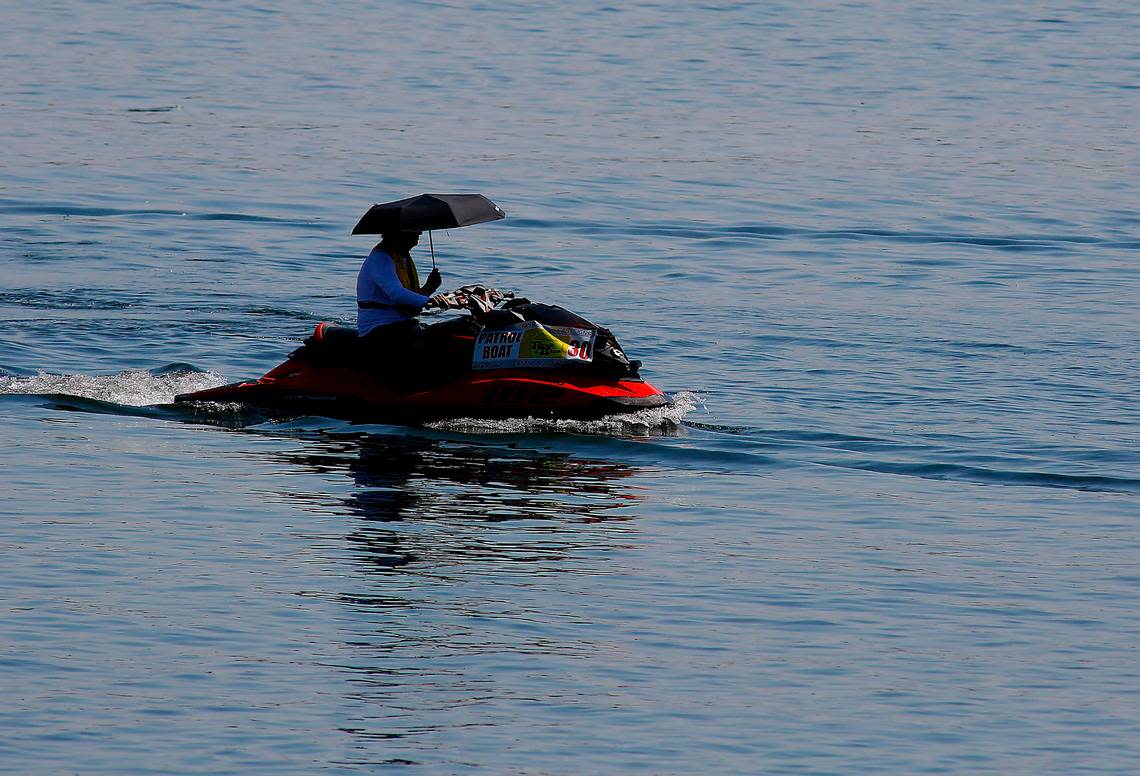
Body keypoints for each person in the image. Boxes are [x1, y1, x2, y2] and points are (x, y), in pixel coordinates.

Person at [356, 230, 443, 346]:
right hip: (378, 328)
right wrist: (430, 301)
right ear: (398, 233)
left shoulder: (403, 258)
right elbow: (397, 294)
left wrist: (429, 288)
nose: (420, 233)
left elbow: (410, 300)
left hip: (402, 324)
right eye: (414, 229)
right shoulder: (380, 258)